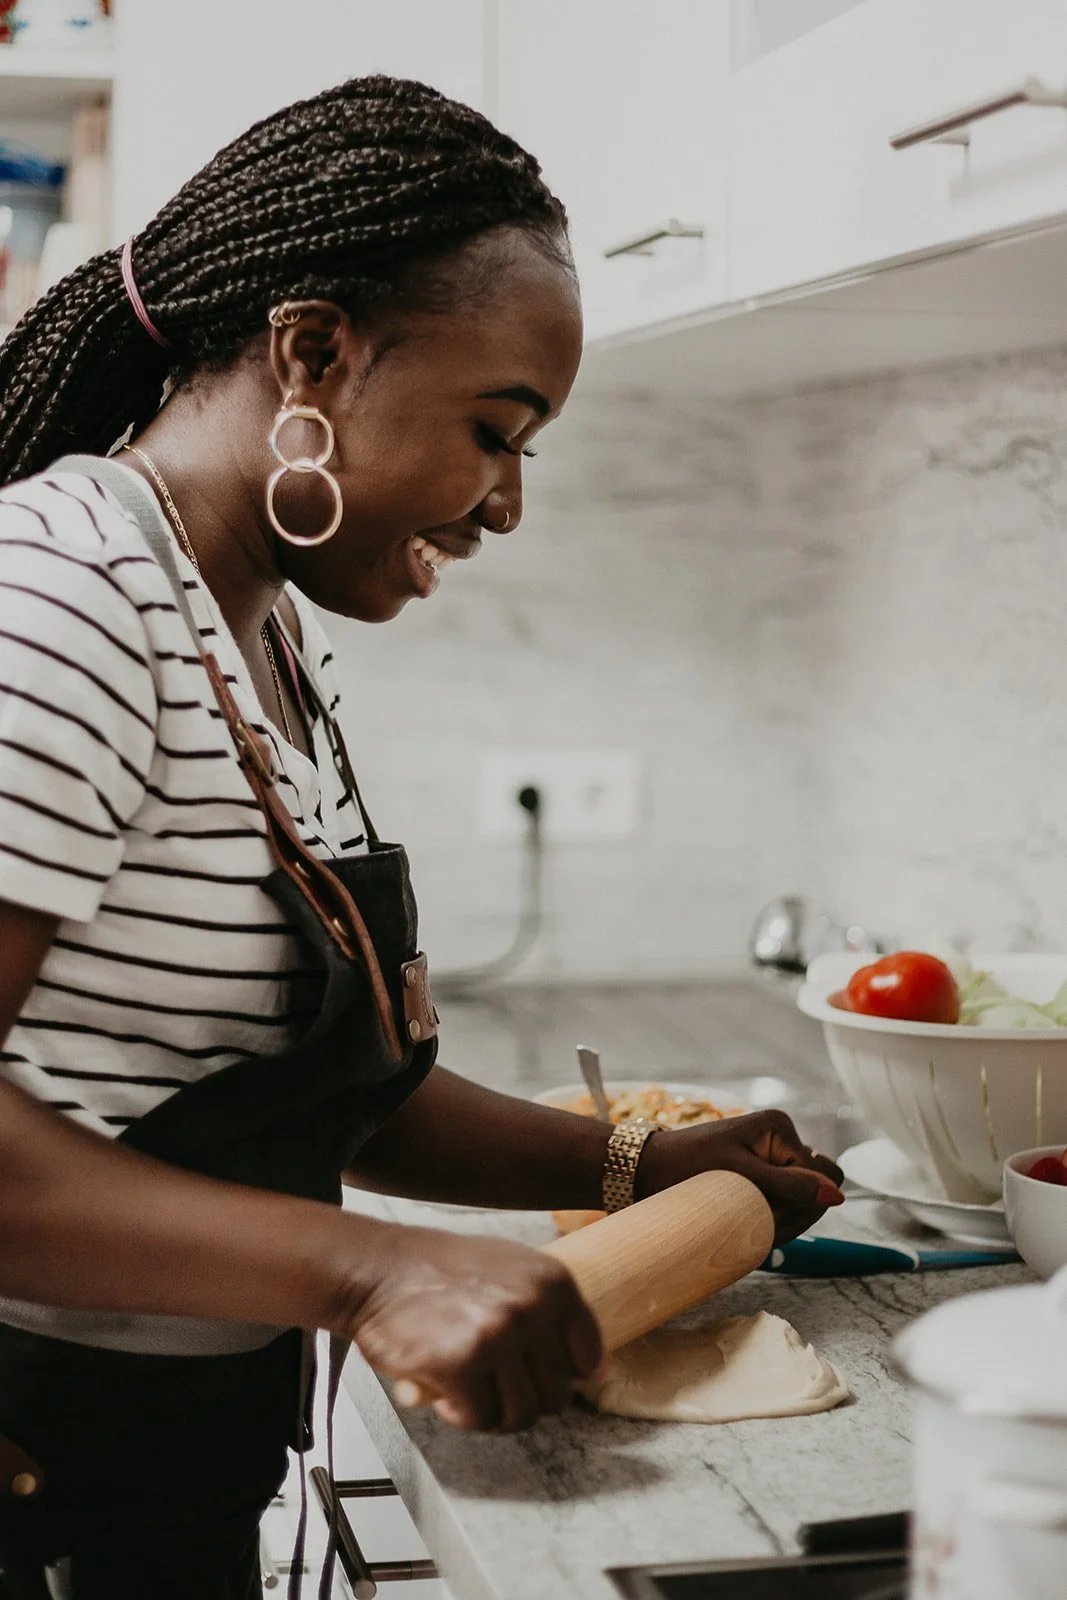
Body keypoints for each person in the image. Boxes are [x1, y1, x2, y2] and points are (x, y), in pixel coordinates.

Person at [0, 75, 843, 1600]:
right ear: (313, 349)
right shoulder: (56, 605)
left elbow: (311, 1094)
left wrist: (637, 1160)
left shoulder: (251, 632)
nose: (508, 502)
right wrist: (375, 1268)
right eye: (493, 428)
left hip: (156, 1459)